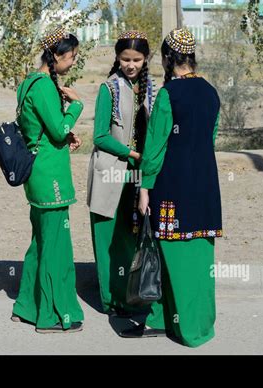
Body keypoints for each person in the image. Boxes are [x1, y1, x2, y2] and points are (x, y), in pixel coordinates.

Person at [120, 29, 223, 347]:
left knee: (174, 260)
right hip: (205, 186)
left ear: (167, 58)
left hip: (173, 188)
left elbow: (154, 148)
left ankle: (189, 330)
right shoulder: (211, 92)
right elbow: (211, 137)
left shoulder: (168, 95)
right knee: (197, 261)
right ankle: (171, 320)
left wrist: (145, 187)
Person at [11, 26, 85, 334]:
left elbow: (39, 129)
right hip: (50, 175)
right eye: (71, 57)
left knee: (40, 243)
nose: (73, 62)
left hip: (37, 172)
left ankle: (26, 306)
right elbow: (55, 130)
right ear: (55, 56)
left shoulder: (28, 82)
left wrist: (65, 133)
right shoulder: (43, 86)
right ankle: (54, 316)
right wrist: (76, 107)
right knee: (56, 246)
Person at [86, 30, 157, 316]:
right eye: (125, 59)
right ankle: (110, 302)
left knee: (131, 236)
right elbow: (100, 136)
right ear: (117, 57)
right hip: (110, 173)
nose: (130, 64)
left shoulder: (150, 88)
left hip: (137, 176)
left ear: (145, 59)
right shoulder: (109, 88)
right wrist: (130, 153)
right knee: (107, 240)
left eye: (136, 59)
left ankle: (131, 295)